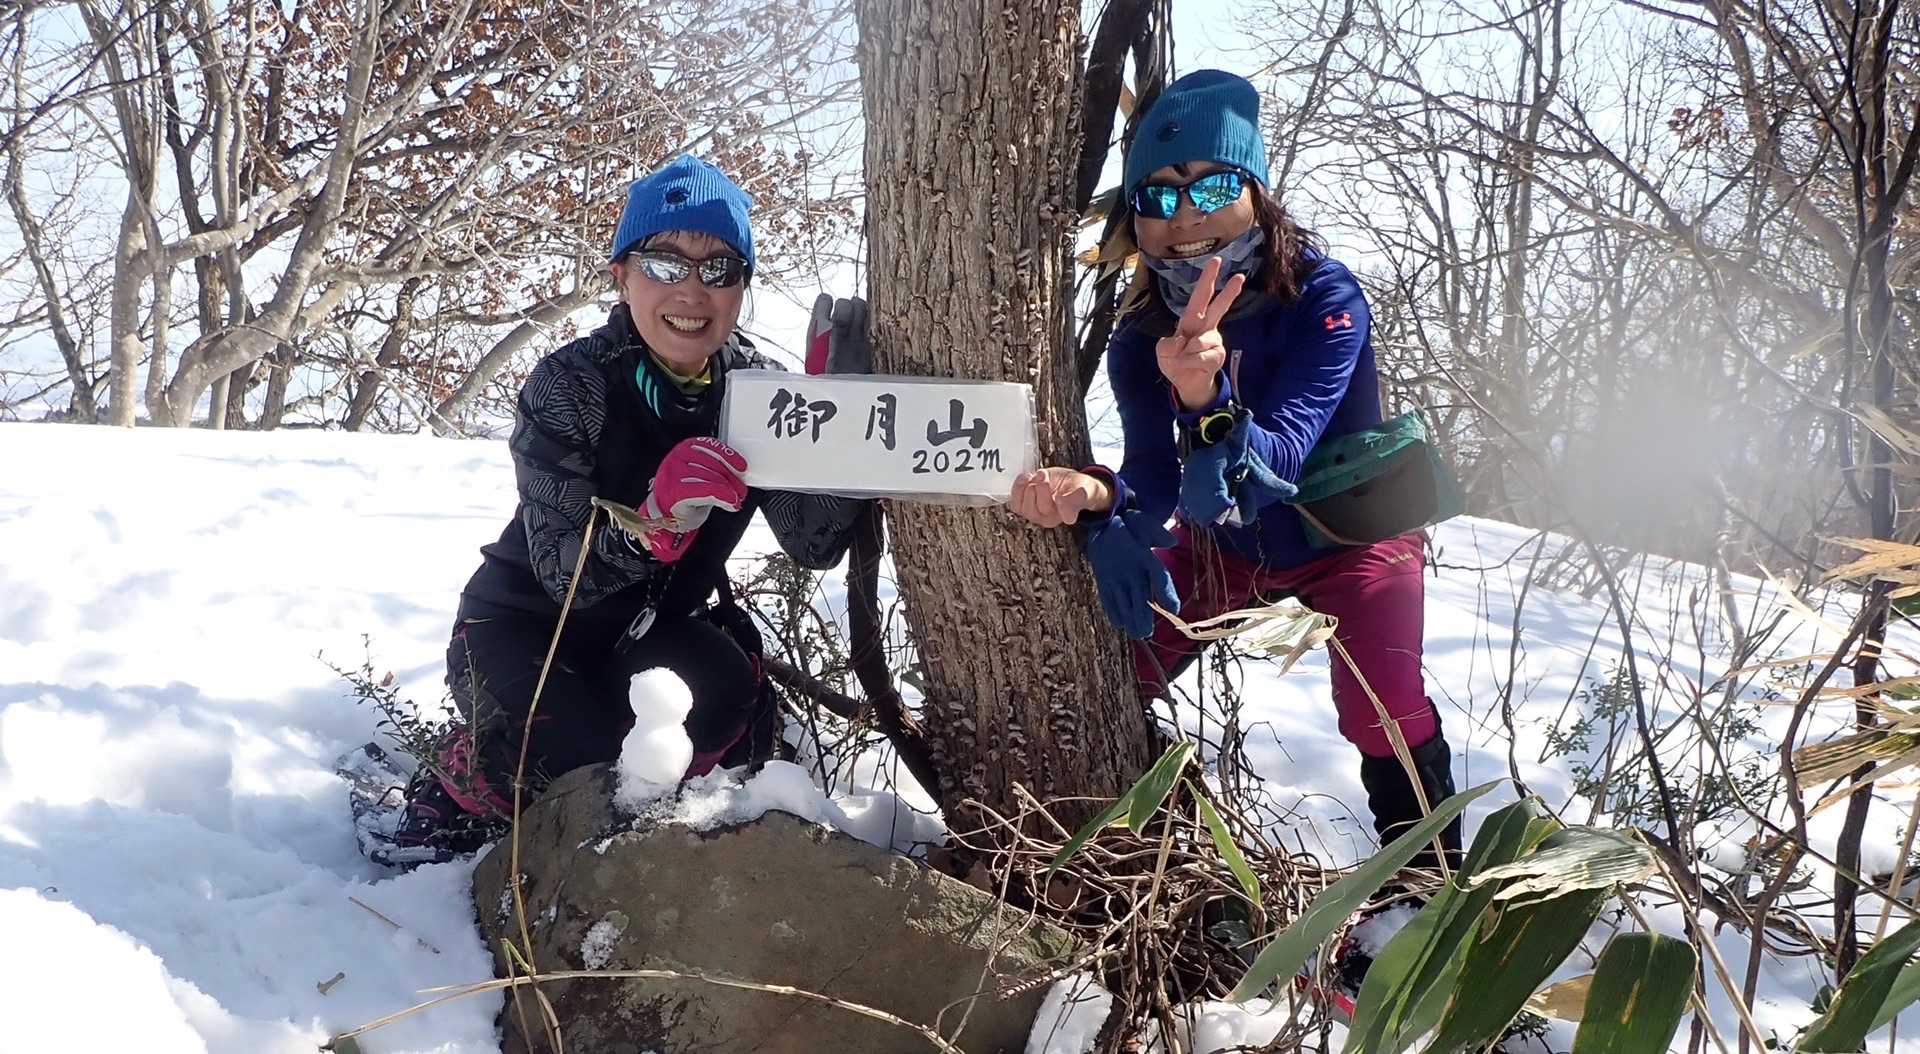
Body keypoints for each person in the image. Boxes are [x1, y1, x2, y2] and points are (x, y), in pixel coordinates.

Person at [1009, 70, 1462, 874]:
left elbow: (1281, 453)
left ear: (1256, 191)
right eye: (1157, 196)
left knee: (1382, 709)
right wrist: (1099, 499)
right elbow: (1153, 474)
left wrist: (1206, 394)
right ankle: (1143, 847)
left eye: (1213, 186)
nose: (1186, 218)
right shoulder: (1139, 332)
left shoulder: (1324, 295)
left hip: (1351, 532)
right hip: (1232, 547)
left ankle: (1428, 891)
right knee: (1118, 669)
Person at [390, 155, 869, 862]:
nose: (693, 291)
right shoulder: (571, 384)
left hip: (651, 631)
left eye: (720, 269)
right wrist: (653, 519)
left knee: (726, 700)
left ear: (742, 288)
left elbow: (813, 542)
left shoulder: (758, 392)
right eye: (665, 263)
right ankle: (462, 780)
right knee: (575, 761)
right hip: (520, 626)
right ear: (621, 275)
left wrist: (845, 425)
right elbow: (564, 578)